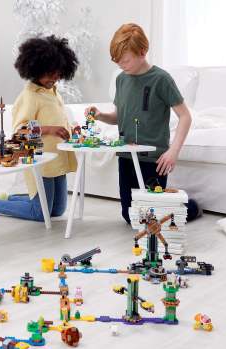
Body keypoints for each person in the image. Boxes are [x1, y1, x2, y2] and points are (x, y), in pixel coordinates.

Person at [86, 23, 201, 224]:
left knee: (151, 218)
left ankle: (189, 207)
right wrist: (100, 115)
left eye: (125, 60)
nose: (121, 65)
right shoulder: (121, 80)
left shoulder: (161, 79)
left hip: (152, 160)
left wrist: (173, 151)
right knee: (130, 216)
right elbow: (118, 117)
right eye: (117, 61)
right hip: (126, 156)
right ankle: (170, 203)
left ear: (142, 52)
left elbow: (185, 116)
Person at [0, 35, 78, 221]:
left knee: (57, 210)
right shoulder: (30, 96)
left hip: (58, 158)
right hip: (41, 160)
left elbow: (58, 119)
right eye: (50, 73)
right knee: (40, 213)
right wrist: (50, 130)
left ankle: (9, 198)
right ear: (36, 70)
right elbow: (19, 132)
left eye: (58, 73)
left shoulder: (53, 92)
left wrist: (72, 129)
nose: (55, 78)